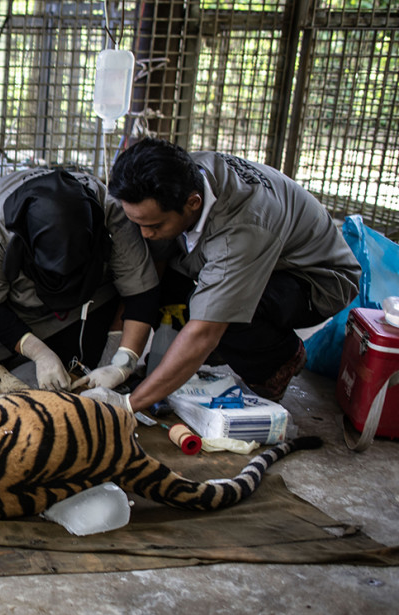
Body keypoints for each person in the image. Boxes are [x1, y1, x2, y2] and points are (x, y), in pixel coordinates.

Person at [83, 137, 361, 411]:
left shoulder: (241, 230)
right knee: (162, 283)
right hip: (251, 256)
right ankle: (185, 362)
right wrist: (124, 360)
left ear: (193, 203)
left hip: (315, 280)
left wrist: (129, 404)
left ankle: (279, 360)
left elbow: (205, 331)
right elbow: (144, 281)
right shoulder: (181, 174)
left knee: (225, 317)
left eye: (154, 225)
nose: (145, 234)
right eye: (139, 223)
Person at [0, 167, 160, 390]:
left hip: (80, 297)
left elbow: (140, 290)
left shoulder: (110, 210)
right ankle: (34, 351)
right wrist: (39, 353)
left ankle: (36, 351)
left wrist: (122, 363)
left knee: (89, 354)